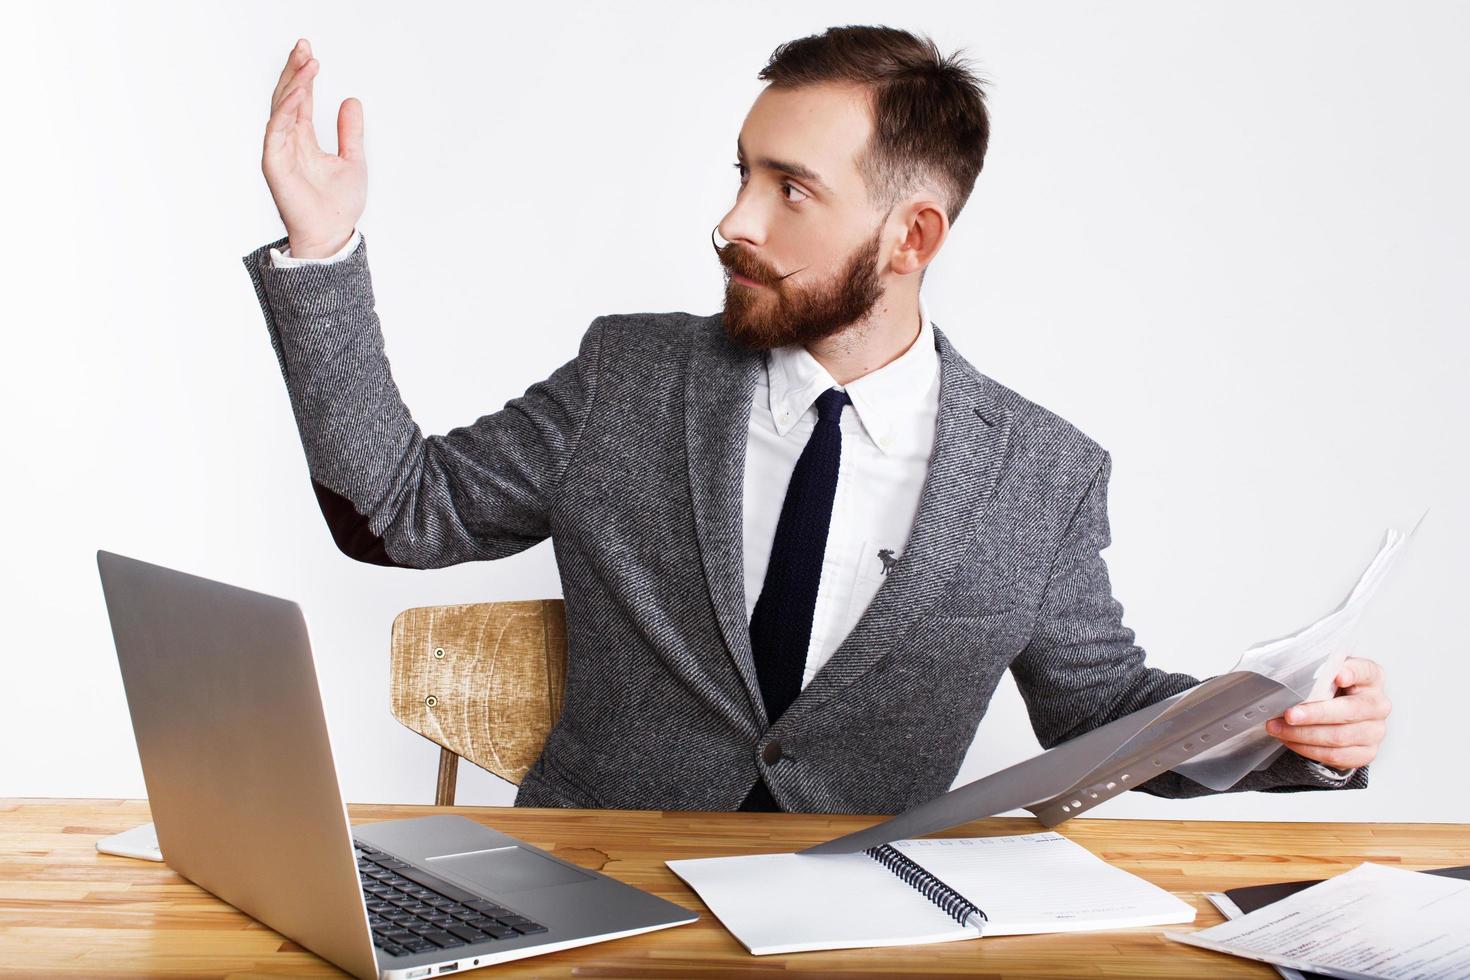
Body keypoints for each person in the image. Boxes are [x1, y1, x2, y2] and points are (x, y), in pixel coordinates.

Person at [241, 26, 1390, 813]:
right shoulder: (627, 376)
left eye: (789, 188)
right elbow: (397, 515)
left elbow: (1098, 711)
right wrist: (321, 251)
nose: (732, 220)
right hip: (598, 890)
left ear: (913, 237)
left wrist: (1283, 728)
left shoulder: (1042, 475)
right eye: (742, 171)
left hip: (863, 921)